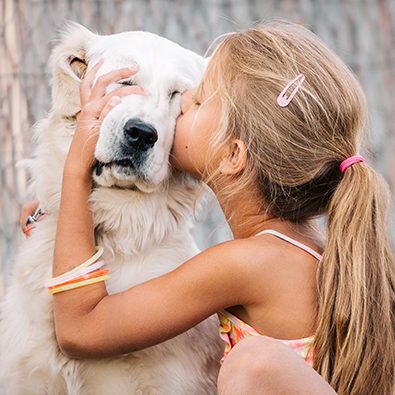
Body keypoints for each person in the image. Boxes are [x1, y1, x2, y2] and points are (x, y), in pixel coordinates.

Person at [20, 21, 394, 394]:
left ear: (232, 155)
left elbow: (81, 330)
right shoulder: (294, 249)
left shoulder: (247, 263)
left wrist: (76, 171)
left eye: (195, 101)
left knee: (252, 365)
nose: (178, 108)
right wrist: (62, 217)